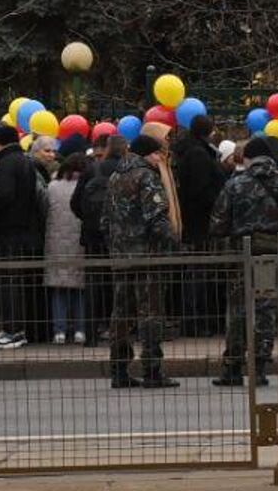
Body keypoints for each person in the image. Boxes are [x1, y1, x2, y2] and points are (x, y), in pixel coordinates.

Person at [212, 137, 278, 387]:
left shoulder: (234, 185)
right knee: (266, 310)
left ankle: (232, 367)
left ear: (248, 158)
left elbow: (218, 224)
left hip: (240, 255)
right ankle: (259, 367)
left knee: (238, 310)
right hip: (273, 255)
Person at [101, 134, 179, 389]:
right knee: (151, 313)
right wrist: (174, 243)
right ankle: (152, 370)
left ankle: (119, 370)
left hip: (120, 256)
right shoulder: (146, 176)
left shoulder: (115, 176)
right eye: (158, 154)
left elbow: (105, 220)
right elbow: (156, 218)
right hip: (148, 256)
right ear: (148, 153)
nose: (160, 160)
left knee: (121, 313)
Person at [0, 124, 41, 350]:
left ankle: (12, 330)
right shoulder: (25, 161)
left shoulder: (6, 163)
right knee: (17, 282)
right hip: (24, 231)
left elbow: (2, 195)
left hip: (7, 232)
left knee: (7, 282)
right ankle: (18, 329)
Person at [72, 135, 124, 348]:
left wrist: (90, 220)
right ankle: (119, 333)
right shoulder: (127, 170)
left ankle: (91, 333)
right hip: (120, 235)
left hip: (93, 235)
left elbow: (75, 202)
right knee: (121, 283)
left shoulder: (91, 170)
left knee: (94, 283)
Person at [173, 115, 222, 337]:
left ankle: (195, 319)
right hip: (199, 223)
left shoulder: (190, 151)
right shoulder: (199, 154)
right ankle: (194, 321)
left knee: (195, 273)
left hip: (192, 221)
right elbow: (201, 190)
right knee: (197, 274)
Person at [46, 154, 89, 344]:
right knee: (79, 288)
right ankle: (80, 329)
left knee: (59, 288)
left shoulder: (52, 186)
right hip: (79, 242)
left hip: (55, 243)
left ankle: (59, 331)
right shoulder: (86, 186)